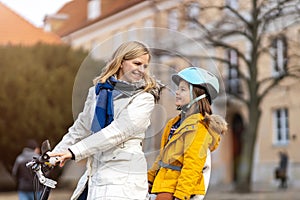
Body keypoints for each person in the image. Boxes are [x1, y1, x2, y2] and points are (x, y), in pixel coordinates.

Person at [48, 41, 161, 200]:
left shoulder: (144, 99)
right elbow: (80, 129)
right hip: (96, 175)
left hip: (123, 180)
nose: (141, 70)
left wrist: (74, 152)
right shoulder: (97, 92)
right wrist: (52, 157)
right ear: (121, 62)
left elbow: (116, 132)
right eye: (137, 63)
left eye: (145, 66)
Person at [148, 67, 227, 200]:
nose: (177, 92)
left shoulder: (199, 127)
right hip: (163, 184)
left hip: (177, 190)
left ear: (197, 96)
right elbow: (163, 157)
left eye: (183, 89)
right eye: (178, 88)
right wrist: (149, 178)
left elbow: (193, 166)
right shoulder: (173, 123)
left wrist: (181, 196)